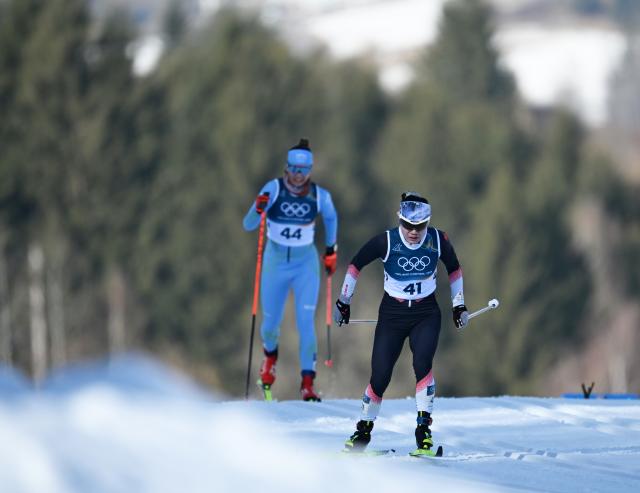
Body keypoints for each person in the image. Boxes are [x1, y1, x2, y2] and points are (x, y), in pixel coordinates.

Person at [333, 191, 468, 455]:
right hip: (392, 315)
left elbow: (454, 268)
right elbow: (355, 265)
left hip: (425, 313)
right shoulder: (387, 241)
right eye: (408, 225)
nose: (413, 232)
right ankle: (362, 431)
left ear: (427, 223)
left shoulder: (437, 240)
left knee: (422, 364)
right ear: (400, 221)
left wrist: (459, 305)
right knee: (380, 375)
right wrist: (343, 301)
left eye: (419, 226)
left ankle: (423, 432)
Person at [243, 138, 338, 401]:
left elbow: (331, 217)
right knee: (270, 325)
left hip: (304, 265)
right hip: (276, 264)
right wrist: (258, 207)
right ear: (287, 168)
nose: (298, 176)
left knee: (306, 323)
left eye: (304, 171)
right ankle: (270, 359)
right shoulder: (273, 189)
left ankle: (308, 383)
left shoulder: (319, 195)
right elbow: (248, 224)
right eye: (294, 170)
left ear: (310, 171)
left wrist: (331, 250)